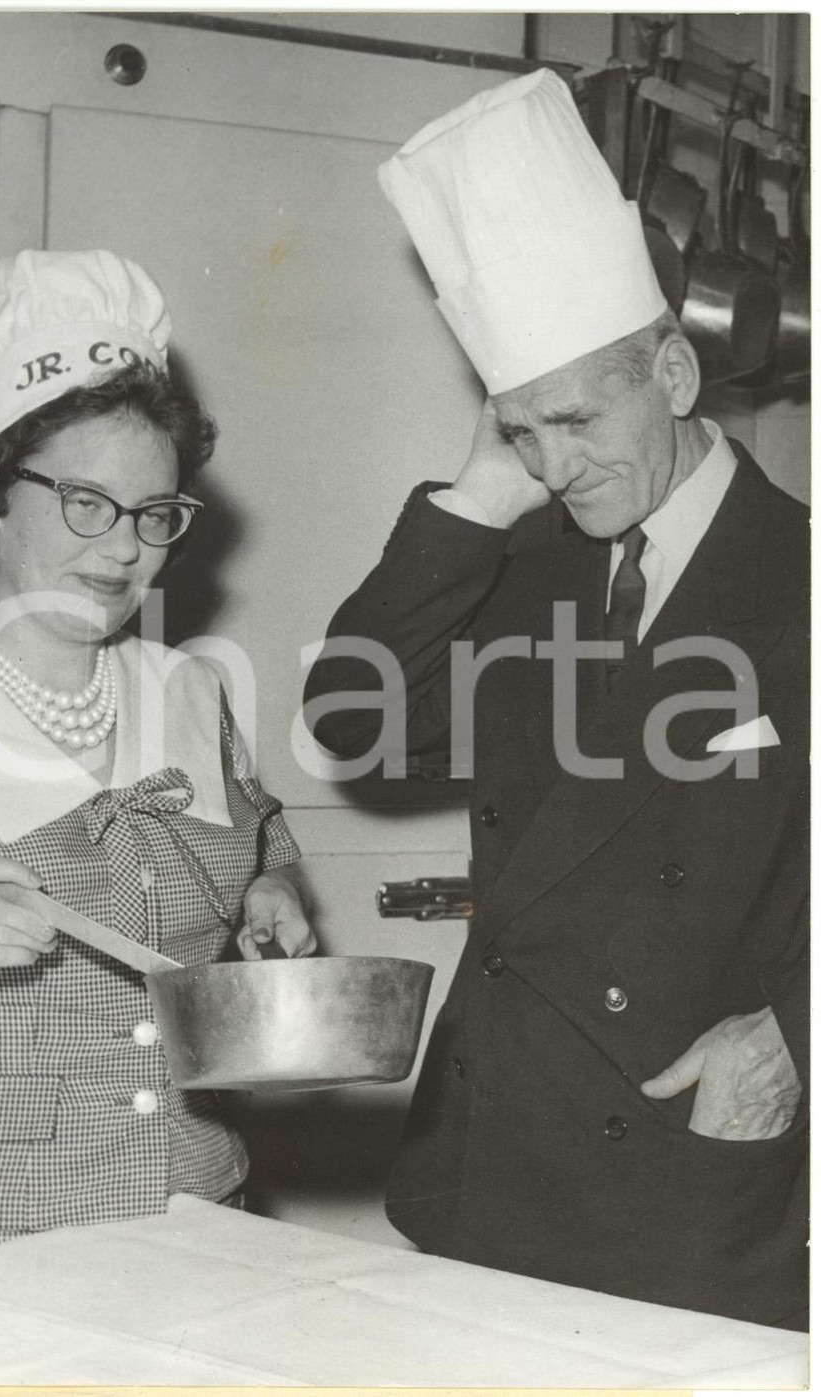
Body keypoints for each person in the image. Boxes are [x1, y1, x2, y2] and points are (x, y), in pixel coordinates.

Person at [304, 72, 807, 1327]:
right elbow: (355, 725)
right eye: (521, 431)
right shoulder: (521, 561)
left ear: (676, 375)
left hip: (691, 1159)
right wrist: (472, 501)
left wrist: (798, 1028)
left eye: (576, 420)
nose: (555, 464)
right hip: (490, 1151)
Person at [0, 248, 314, 1281]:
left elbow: (259, 840)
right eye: (87, 501)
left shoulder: (190, 693)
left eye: (155, 513)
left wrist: (270, 886)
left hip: (189, 1219)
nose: (125, 548)